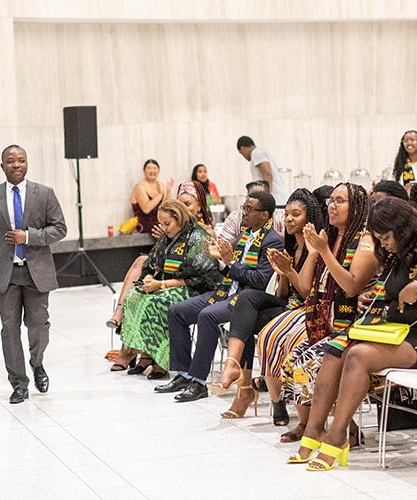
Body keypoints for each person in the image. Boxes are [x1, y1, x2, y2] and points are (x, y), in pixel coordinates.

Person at [290, 197, 417, 471]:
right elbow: (391, 292)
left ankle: (338, 437)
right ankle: (314, 430)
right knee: (336, 349)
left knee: (359, 355)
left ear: (402, 228)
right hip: (398, 331)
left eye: (386, 237)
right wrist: (373, 298)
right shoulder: (402, 252)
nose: (383, 244)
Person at [273, 183, 378, 442]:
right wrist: (305, 259)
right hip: (324, 322)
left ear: (356, 208)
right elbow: (307, 286)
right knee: (292, 360)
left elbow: (352, 286)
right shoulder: (327, 237)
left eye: (340, 201)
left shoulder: (365, 240)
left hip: (354, 326)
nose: (332, 205)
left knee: (311, 363)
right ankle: (326, 426)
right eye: (331, 200)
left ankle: (331, 430)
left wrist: (324, 252)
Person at [156, 191, 284, 402]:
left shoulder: (272, 241)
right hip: (224, 291)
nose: (245, 212)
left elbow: (260, 281)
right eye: (245, 207)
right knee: (177, 311)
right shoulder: (245, 235)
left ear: (264, 215)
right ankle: (184, 374)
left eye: (250, 209)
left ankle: (198, 383)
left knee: (207, 316)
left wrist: (231, 263)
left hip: (245, 301)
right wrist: (223, 262)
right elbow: (231, 271)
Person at [215, 188, 325, 419]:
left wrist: (289, 271)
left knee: (247, 319)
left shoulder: (316, 247)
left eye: (296, 214)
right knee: (245, 302)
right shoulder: (290, 245)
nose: (288, 219)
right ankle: (234, 366)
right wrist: (283, 276)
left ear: (309, 218)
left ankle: (265, 397)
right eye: (286, 214)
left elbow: (306, 293)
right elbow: (285, 292)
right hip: (288, 303)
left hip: (308, 309)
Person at [0, 145, 67, 404]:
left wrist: (30, 236)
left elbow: (60, 229)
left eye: (21, 160)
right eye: (10, 161)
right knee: (9, 330)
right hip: (5, 274)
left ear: (27, 164)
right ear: (2, 166)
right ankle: (19, 383)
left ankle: (37, 364)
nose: (16, 165)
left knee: (39, 326)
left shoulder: (44, 194)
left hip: (37, 273)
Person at [107, 181, 214, 370]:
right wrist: (148, 278)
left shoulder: (200, 235)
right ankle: (140, 351)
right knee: (134, 296)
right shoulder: (169, 235)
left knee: (158, 302)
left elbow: (199, 277)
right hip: (167, 282)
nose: (164, 227)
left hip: (192, 288)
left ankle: (161, 360)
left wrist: (162, 284)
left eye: (168, 223)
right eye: (162, 223)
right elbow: (151, 264)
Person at [236, 135, 289, 206]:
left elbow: (267, 174)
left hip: (276, 200)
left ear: (242, 148)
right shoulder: (259, 152)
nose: (243, 156)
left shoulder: (256, 153)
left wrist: (266, 197)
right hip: (276, 200)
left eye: (241, 153)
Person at [131, 159, 174, 234]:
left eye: (154, 168)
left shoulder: (161, 185)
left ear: (158, 170)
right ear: (144, 171)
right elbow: (146, 209)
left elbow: (166, 208)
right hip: (144, 229)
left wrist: (168, 191)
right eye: (149, 168)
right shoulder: (140, 187)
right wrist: (160, 195)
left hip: (160, 227)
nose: (152, 171)